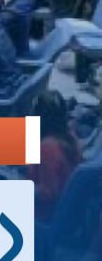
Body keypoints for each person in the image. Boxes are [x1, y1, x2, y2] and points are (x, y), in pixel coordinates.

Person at [25, 91, 82, 221]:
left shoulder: (47, 149)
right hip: (64, 209)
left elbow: (47, 193)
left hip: (41, 214)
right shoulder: (71, 138)